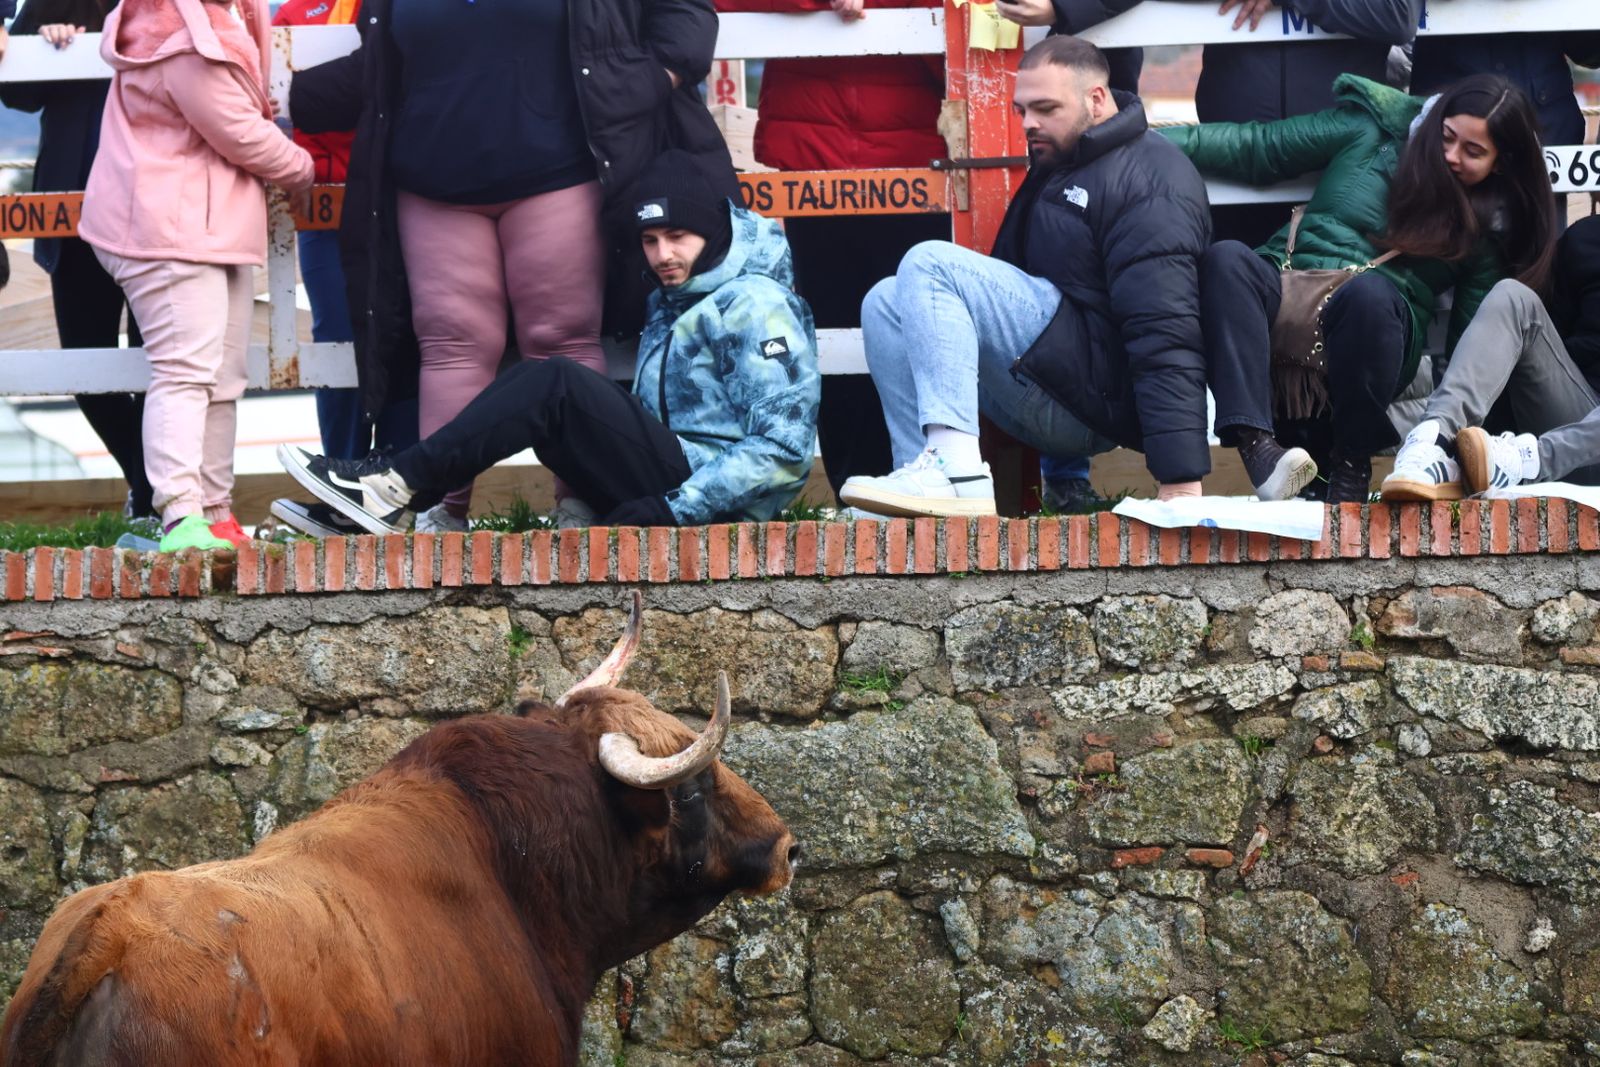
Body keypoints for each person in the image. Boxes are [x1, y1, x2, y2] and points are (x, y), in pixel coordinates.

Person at [284, 0, 736, 532]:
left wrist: (650, 78)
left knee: (561, 338)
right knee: (450, 346)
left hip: (559, 168)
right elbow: (384, 63)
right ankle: (440, 516)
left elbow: (686, 15)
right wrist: (274, 91)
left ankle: (579, 509)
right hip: (430, 177)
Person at [275, 151, 819, 534]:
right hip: (671, 485)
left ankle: (394, 487)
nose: (662, 255)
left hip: (707, 501)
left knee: (554, 381)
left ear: (714, 232)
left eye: (678, 236)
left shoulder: (755, 302)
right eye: (650, 241)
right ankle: (382, 503)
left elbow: (784, 450)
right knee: (545, 396)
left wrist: (675, 508)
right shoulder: (673, 299)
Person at [838, 35, 1210, 518]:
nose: (1030, 123)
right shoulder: (1062, 160)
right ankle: (921, 480)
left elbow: (1165, 328)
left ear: (1097, 99)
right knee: (886, 300)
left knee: (929, 263)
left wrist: (1180, 479)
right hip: (1055, 386)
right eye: (1022, 111)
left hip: (1097, 406)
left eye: (1046, 108)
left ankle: (956, 474)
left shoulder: (1150, 178)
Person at [1164, 74, 1555, 504]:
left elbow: (1468, 350)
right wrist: (1145, 147)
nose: (1449, 155)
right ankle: (1258, 446)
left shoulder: (1485, 230)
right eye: (1446, 136)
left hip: (1371, 327)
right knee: (1226, 259)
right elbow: (1260, 145)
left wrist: (1456, 453)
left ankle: (1351, 463)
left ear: (1500, 163)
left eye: (1473, 151)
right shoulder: (1371, 131)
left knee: (1369, 295)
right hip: (1286, 282)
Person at [77, 0, 315, 552]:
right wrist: (305, 168)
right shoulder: (184, 32)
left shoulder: (189, 21)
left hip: (200, 224)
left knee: (220, 377)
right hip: (172, 225)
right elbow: (235, 128)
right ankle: (182, 517)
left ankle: (212, 514)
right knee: (187, 372)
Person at [714, 0, 949, 505]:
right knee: (830, 336)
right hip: (814, 161)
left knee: (922, 332)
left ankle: (934, 481)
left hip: (919, 161)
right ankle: (858, 493)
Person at [266, 0, 420, 540]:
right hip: (322, 206)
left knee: (404, 333)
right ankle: (338, 482)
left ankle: (401, 486)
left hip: (395, 189)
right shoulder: (292, 13)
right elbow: (278, 98)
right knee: (333, 335)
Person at [0, 0, 153, 520]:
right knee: (85, 365)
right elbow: (14, 92)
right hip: (69, 207)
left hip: (154, 207)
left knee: (161, 366)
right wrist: (47, 43)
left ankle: (155, 499)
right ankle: (151, 486)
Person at [1382, 215, 1600, 499]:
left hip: (1562, 454)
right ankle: (1433, 444)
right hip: (1575, 421)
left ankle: (1529, 460)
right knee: (1513, 296)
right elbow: (1546, 357)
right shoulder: (1586, 239)